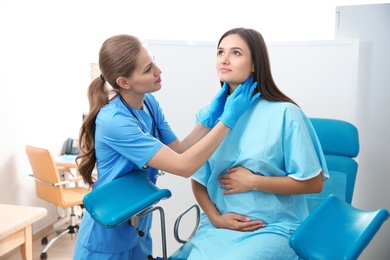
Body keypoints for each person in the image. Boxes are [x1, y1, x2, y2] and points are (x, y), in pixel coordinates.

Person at [73, 34, 260, 260]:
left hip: (138, 221)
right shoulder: (114, 121)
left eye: (154, 61)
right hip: (108, 234)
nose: (158, 71)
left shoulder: (149, 103)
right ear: (124, 82)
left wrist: (208, 121)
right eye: (148, 69)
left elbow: (178, 151)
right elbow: (183, 167)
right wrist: (226, 121)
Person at [187, 27, 330, 260]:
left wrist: (254, 182)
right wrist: (216, 218)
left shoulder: (286, 113)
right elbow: (198, 179)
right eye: (220, 52)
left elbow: (313, 183)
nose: (224, 58)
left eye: (236, 53)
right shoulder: (208, 116)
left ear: (255, 64)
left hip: (272, 227)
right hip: (220, 227)